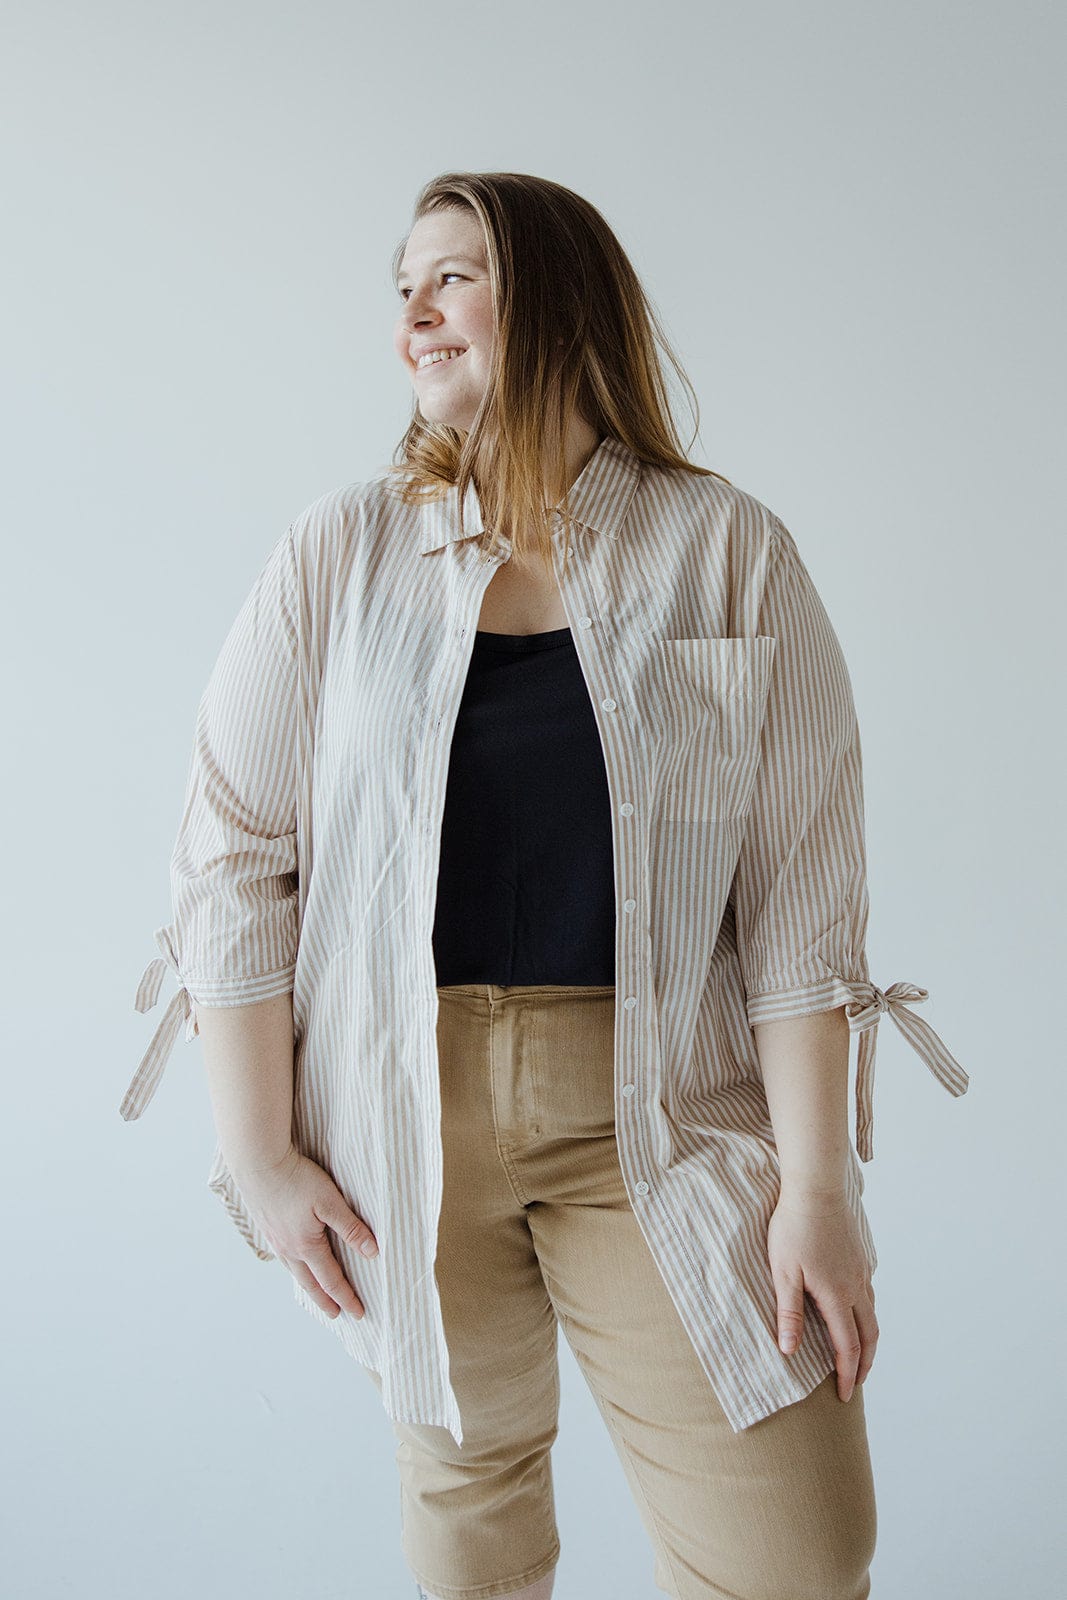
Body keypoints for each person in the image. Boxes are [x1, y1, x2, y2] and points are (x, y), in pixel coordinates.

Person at [121, 172, 970, 1600]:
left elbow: (801, 910)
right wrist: (260, 1154)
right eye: (402, 289)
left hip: (663, 1107)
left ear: (560, 294)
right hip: (403, 1109)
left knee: (802, 1558)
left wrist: (817, 1187)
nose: (415, 314)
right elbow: (232, 855)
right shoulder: (342, 552)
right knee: (474, 1526)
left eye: (450, 275)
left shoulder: (729, 555)